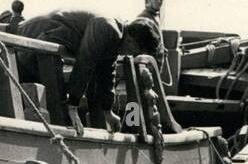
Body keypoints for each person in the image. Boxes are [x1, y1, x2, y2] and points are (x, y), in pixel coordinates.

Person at [17, 10, 162, 130]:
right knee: (36, 92)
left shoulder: (116, 36)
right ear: (132, 41)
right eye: (135, 51)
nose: (132, 55)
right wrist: (73, 106)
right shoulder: (107, 28)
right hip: (30, 35)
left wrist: (108, 111)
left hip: (43, 38)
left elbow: (107, 73)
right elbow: (86, 62)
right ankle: (53, 126)